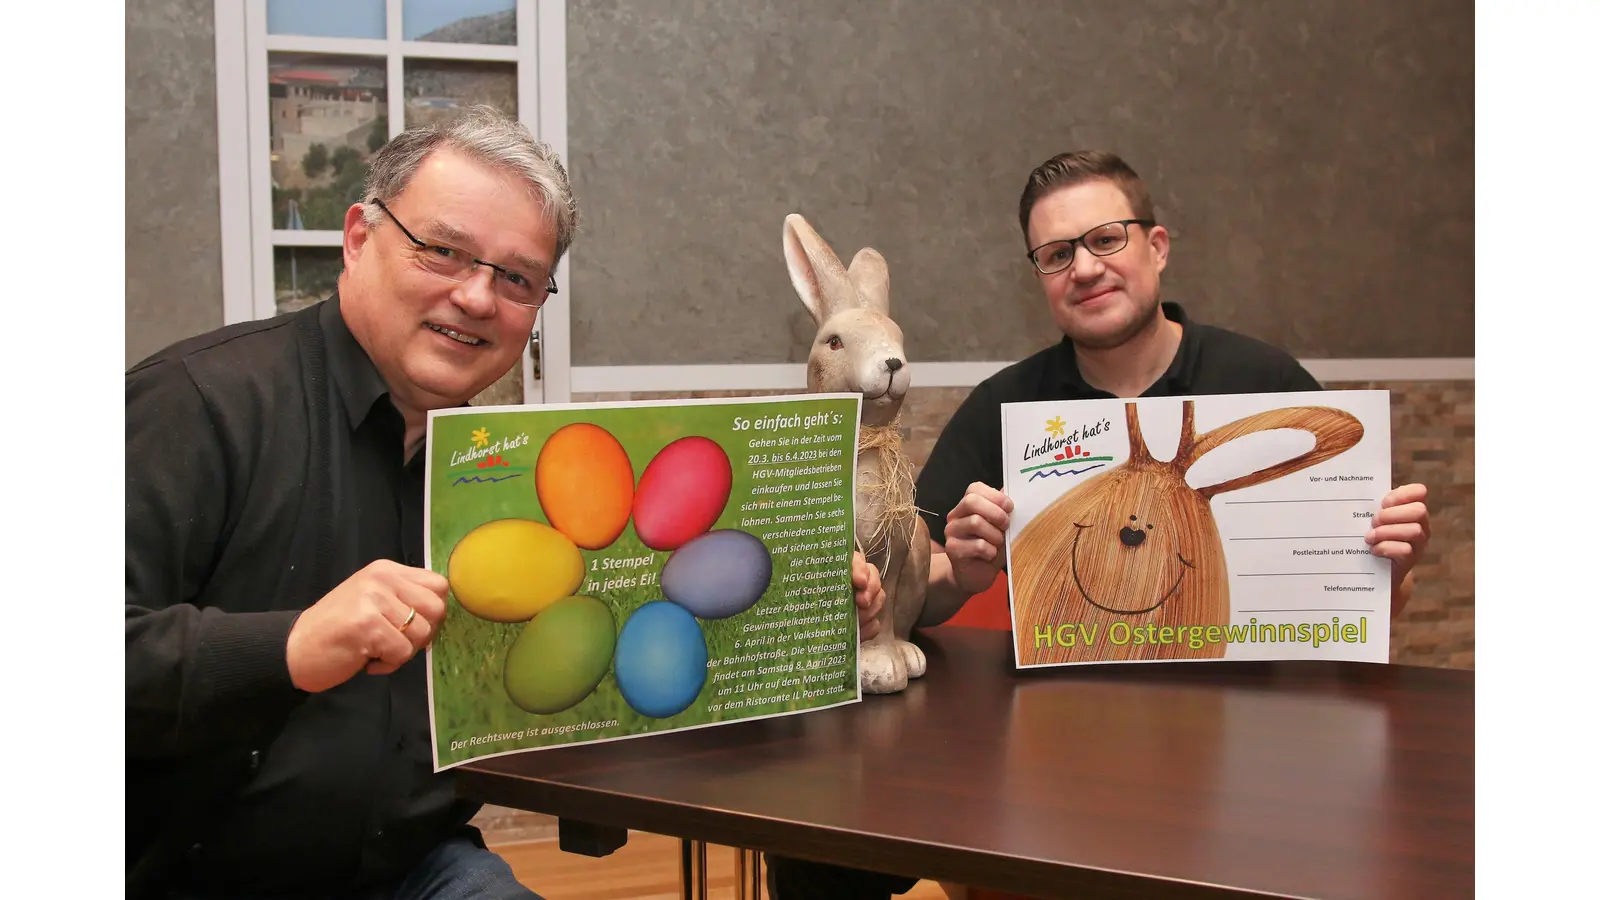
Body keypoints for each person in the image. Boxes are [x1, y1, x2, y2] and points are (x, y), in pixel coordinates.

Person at [126, 105, 888, 900]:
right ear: (357, 238)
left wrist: (802, 613)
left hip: (412, 866)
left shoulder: (500, 468)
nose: (478, 297)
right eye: (441, 251)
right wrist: (289, 645)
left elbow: (608, 659)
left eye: (517, 277)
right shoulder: (196, 405)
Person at [764, 150, 1432, 898]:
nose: (1083, 267)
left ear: (1158, 246)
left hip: (1241, 749)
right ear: (1042, 277)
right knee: (818, 843)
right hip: (1055, 748)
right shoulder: (1003, 409)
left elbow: (1363, 607)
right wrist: (965, 568)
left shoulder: (1263, 383)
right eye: (1056, 254)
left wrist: (1388, 571)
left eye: (1106, 239)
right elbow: (921, 590)